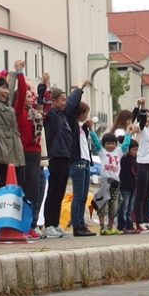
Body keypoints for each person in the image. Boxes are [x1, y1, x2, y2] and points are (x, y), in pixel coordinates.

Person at [42, 79, 88, 238]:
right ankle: (48, 225)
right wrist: (45, 85)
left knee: (60, 191)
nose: (65, 103)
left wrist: (80, 88)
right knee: (54, 191)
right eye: (62, 100)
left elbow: (72, 103)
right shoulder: (51, 114)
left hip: (65, 156)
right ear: (53, 101)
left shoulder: (63, 116)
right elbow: (44, 99)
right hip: (56, 156)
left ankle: (55, 224)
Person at [13, 62, 43, 237]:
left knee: (35, 192)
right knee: (24, 190)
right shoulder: (19, 112)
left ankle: (31, 224)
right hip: (24, 153)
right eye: (29, 95)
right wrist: (20, 73)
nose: (32, 97)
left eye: (33, 96)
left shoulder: (35, 115)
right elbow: (23, 91)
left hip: (36, 155)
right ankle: (21, 226)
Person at [0, 60, 25, 189]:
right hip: (1, 150)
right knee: (4, 186)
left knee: (18, 187)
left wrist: (16, 71)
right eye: (2, 87)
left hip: (15, 149)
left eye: (7, 88)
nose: (6, 91)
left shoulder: (8, 105)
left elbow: (12, 86)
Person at [89, 126, 132, 234]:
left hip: (115, 183)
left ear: (116, 144)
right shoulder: (102, 152)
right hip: (105, 182)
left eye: (112, 143)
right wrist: (91, 130)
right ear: (104, 145)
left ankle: (110, 226)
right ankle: (102, 226)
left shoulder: (118, 152)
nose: (110, 145)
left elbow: (126, 144)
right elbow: (96, 142)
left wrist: (127, 133)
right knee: (102, 204)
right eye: (108, 143)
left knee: (114, 206)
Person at [70, 102, 96, 236]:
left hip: (85, 161)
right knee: (78, 195)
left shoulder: (81, 128)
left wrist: (87, 127)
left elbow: (83, 140)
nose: (86, 116)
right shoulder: (72, 124)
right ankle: (77, 224)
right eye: (85, 113)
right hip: (77, 162)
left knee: (84, 196)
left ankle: (81, 223)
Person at [132, 98, 149, 231]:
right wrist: (143, 106)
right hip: (141, 163)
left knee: (148, 194)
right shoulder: (141, 129)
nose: (148, 119)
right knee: (140, 194)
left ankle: (147, 219)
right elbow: (140, 119)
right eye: (146, 116)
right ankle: (139, 220)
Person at [117, 137, 139, 234]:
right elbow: (120, 139)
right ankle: (122, 225)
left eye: (136, 150)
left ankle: (130, 225)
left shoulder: (135, 161)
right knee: (124, 207)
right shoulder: (124, 159)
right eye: (133, 150)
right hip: (125, 187)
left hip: (132, 187)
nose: (135, 152)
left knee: (130, 208)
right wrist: (129, 135)